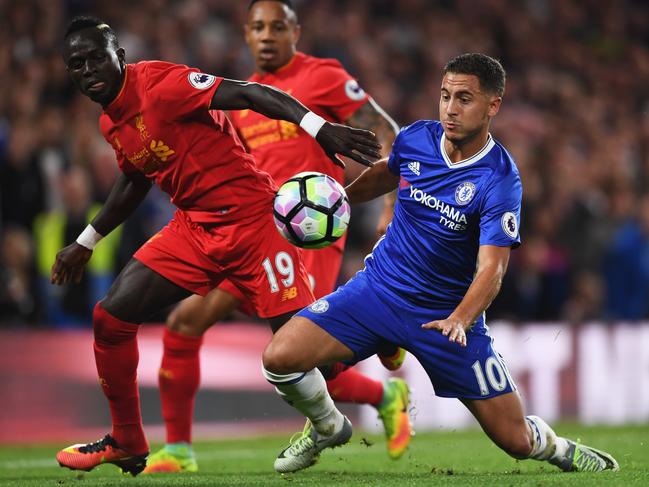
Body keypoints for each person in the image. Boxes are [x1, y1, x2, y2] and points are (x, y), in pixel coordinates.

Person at [260, 53, 620, 474]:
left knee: (516, 442)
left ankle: (557, 447)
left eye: (464, 98)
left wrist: (460, 319)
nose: (450, 108)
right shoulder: (416, 138)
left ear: (493, 105)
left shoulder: (500, 179)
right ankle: (325, 426)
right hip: (377, 290)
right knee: (279, 358)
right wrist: (340, 199)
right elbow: (388, 171)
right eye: (445, 96)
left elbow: (493, 269)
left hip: (443, 316)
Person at [52, 15, 381, 476]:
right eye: (76, 65)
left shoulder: (162, 86)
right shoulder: (112, 122)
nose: (86, 70)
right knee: (111, 317)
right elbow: (133, 179)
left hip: (256, 226)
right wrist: (86, 241)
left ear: (119, 57)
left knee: (314, 358)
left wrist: (320, 129)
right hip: (194, 230)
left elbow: (250, 93)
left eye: (94, 58)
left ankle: (377, 345)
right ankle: (127, 439)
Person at [143, 0, 410, 473]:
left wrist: (391, 202)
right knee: (185, 322)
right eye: (258, 27)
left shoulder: (323, 75)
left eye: (277, 26)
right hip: (253, 235)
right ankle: (179, 451)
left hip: (311, 237)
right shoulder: (242, 97)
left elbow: (383, 130)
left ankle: (382, 360)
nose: (267, 35)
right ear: (246, 35)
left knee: (306, 356)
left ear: (296, 32)